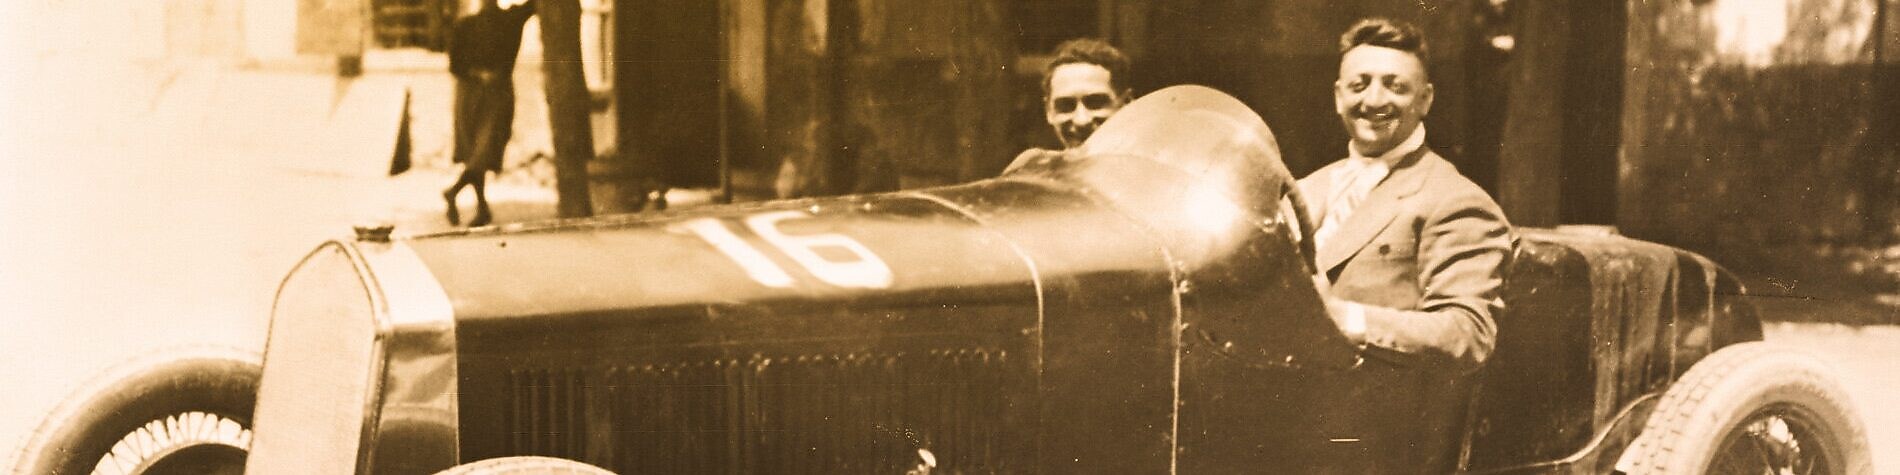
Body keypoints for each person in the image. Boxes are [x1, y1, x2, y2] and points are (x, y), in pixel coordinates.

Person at [1298, 18, 1512, 373]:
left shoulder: (1455, 199)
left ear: (1425, 99)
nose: (1374, 100)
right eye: (1359, 85)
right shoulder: (1306, 188)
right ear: (1339, 97)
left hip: (1368, 413)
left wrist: (1342, 316)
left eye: (1395, 86)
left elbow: (1468, 333)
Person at [444, 0, 536, 227]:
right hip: (471, 92)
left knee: (485, 149)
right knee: (478, 150)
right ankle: (481, 207)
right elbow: (455, 64)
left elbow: (533, 5)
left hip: (497, 93)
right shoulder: (466, 25)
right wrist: (477, 74)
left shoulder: (510, 19)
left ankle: (454, 192)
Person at [1003, 39, 1134, 173]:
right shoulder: (1032, 171)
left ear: (1126, 104)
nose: (1081, 120)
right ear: (1049, 111)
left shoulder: (1146, 172)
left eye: (1095, 103)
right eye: (1066, 106)